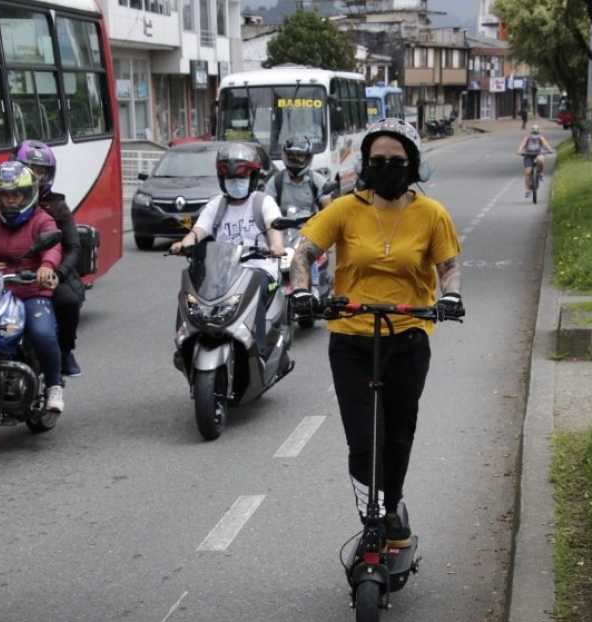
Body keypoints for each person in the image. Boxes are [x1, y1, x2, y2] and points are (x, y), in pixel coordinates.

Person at [289, 118, 464, 548]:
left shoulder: (432, 214)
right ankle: (373, 516)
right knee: (365, 436)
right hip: (351, 339)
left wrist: (451, 297)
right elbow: (305, 251)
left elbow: (449, 267)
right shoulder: (346, 209)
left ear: (413, 164)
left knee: (398, 432)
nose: (387, 167)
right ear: (366, 164)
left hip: (408, 338)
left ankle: (393, 506)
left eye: (396, 160)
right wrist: (301, 289)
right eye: (378, 160)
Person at [171, 142, 285, 357]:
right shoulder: (216, 205)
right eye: (230, 179)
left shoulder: (263, 203)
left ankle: (257, 348)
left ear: (252, 178)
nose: (235, 183)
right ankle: (185, 338)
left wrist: (276, 246)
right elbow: (198, 231)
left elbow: (273, 227)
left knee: (256, 287)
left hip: (258, 268)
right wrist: (184, 244)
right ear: (222, 179)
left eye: (240, 178)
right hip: (223, 270)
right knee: (189, 289)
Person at [0, 161, 64, 412]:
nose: (9, 201)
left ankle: (54, 385)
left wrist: (46, 266)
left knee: (43, 334)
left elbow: (53, 245)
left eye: (15, 195)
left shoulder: (41, 220)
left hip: (32, 290)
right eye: (3, 195)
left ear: (27, 194)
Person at [13, 140, 85, 377]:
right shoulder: (3, 203)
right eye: (30, 169)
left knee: (68, 301)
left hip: (50, 272)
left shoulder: (57, 206)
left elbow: (73, 247)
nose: (36, 176)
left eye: (41, 171)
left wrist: (59, 272)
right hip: (11, 271)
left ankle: (64, 351)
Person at [265, 137, 331, 288]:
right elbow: (266, 210)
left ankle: (315, 291)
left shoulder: (317, 181)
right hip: (283, 239)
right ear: (285, 156)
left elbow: (329, 211)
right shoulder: (275, 182)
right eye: (292, 156)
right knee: (271, 279)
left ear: (308, 158)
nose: (296, 160)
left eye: (300, 156)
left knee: (313, 273)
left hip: (310, 237)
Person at [517, 124, 554, 198]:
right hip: (528, 155)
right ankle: (527, 190)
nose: (535, 134)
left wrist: (550, 150)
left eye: (536, 132)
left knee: (541, 159)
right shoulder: (527, 138)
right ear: (531, 131)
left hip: (538, 154)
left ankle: (541, 173)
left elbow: (546, 145)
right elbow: (522, 145)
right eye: (534, 132)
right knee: (527, 172)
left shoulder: (541, 138)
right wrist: (519, 151)